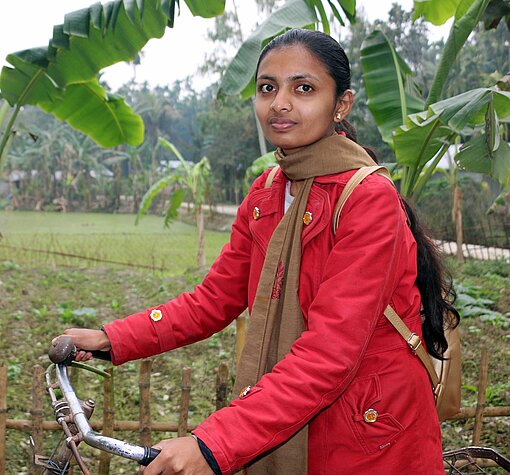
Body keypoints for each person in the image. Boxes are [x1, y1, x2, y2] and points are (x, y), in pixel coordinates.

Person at [56, 29, 459, 474]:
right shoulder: (267, 192)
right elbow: (213, 301)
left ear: (341, 104)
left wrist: (211, 445)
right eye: (268, 87)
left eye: (303, 88)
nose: (280, 103)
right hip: (292, 408)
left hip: (367, 433)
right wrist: (113, 340)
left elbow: (329, 353)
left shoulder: (367, 199)